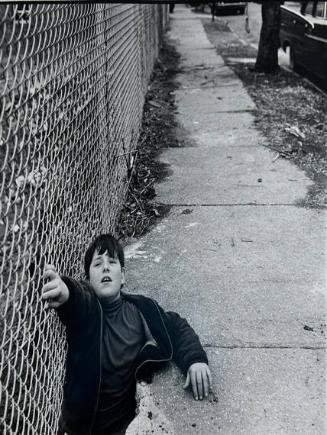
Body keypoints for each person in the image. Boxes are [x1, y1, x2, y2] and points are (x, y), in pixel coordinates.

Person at [42, 234, 212, 435]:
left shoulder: (142, 310)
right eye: (97, 264)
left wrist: (195, 360)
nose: (105, 267)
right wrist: (66, 291)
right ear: (88, 280)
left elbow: (175, 325)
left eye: (111, 262)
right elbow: (78, 300)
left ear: (122, 276)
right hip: (82, 429)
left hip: (128, 425)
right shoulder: (87, 316)